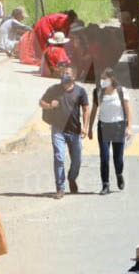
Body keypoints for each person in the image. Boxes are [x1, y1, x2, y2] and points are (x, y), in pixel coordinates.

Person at [38, 65, 89, 198]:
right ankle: (60, 188)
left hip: (75, 130)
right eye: (62, 73)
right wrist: (49, 105)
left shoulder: (80, 91)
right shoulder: (54, 89)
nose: (64, 75)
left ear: (73, 77)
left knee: (77, 161)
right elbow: (41, 102)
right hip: (58, 129)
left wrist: (85, 126)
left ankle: (72, 178)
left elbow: (85, 109)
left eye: (67, 73)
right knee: (59, 158)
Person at [88, 67, 132, 193]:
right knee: (104, 157)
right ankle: (105, 184)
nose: (102, 81)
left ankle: (119, 174)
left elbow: (128, 111)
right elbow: (94, 111)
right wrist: (90, 128)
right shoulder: (98, 92)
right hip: (103, 127)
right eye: (101, 78)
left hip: (118, 126)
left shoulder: (121, 91)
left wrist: (129, 128)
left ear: (111, 78)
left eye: (104, 78)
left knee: (118, 157)